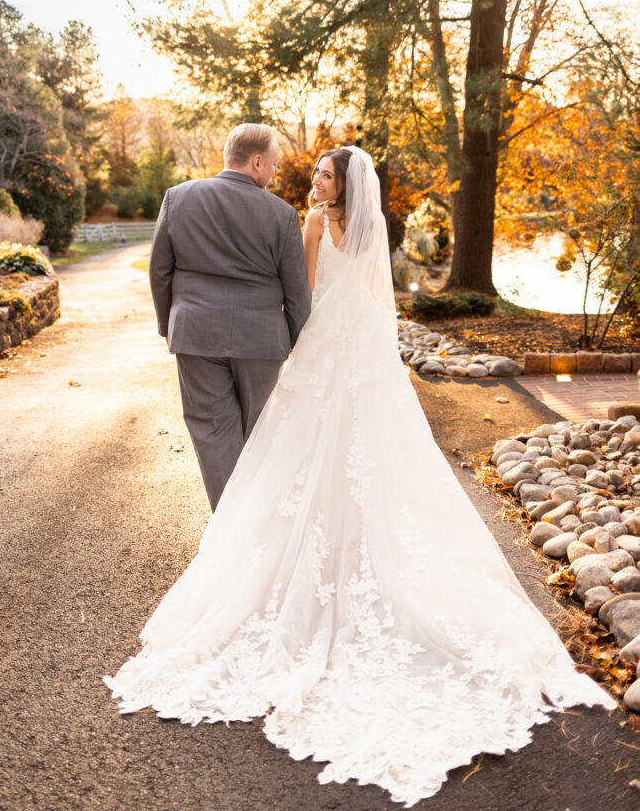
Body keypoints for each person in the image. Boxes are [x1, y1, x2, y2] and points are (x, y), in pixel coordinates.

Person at [105, 146, 615, 808]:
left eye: (322, 174)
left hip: (334, 353)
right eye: (315, 172)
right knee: (333, 461)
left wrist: (303, 346)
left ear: (340, 185)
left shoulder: (317, 225)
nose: (313, 181)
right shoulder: (350, 225)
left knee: (337, 461)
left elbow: (305, 293)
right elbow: (370, 299)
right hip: (353, 352)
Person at [148, 123, 312, 510]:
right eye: (272, 165)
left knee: (212, 432)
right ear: (257, 162)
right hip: (261, 340)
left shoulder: (178, 197)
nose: (273, 173)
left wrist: (166, 326)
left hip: (196, 334)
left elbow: (160, 272)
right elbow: (297, 290)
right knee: (258, 436)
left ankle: (229, 530)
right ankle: (253, 526)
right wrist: (292, 338)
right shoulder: (283, 214)